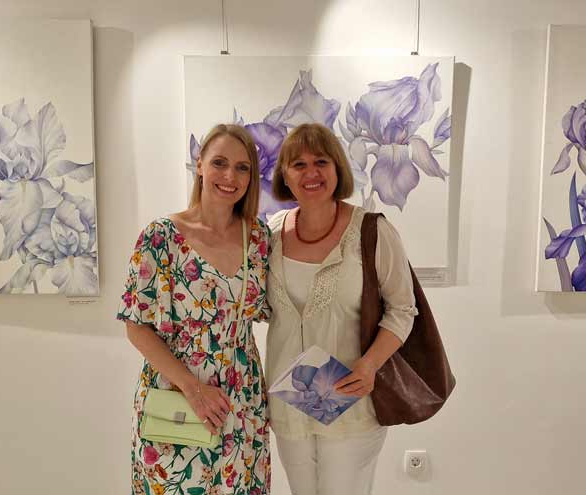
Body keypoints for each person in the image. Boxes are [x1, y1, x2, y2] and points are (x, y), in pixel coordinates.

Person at [116, 124, 272, 495]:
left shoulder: (259, 238)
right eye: (219, 163)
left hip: (241, 402)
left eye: (242, 167)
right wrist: (193, 388)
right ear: (199, 164)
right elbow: (136, 327)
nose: (230, 176)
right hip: (176, 395)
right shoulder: (161, 237)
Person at [264, 123, 417, 495]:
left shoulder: (371, 231)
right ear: (284, 173)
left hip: (350, 400)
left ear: (338, 168)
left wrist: (370, 365)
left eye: (321, 161)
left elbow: (402, 309)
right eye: (298, 164)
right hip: (289, 402)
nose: (311, 173)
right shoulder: (270, 233)